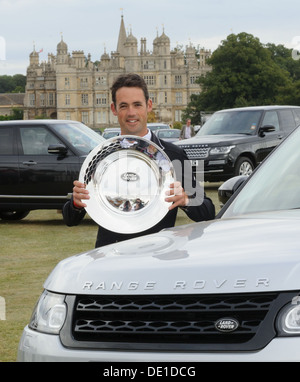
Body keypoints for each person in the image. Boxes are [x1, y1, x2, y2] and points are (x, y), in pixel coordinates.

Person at [63, 73, 215, 247]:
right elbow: (70, 218)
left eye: (137, 105)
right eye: (124, 106)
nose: (131, 113)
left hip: (158, 256)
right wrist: (75, 203)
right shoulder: (99, 156)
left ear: (148, 105)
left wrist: (186, 200)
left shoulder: (174, 155)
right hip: (110, 256)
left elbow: (208, 210)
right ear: (113, 109)